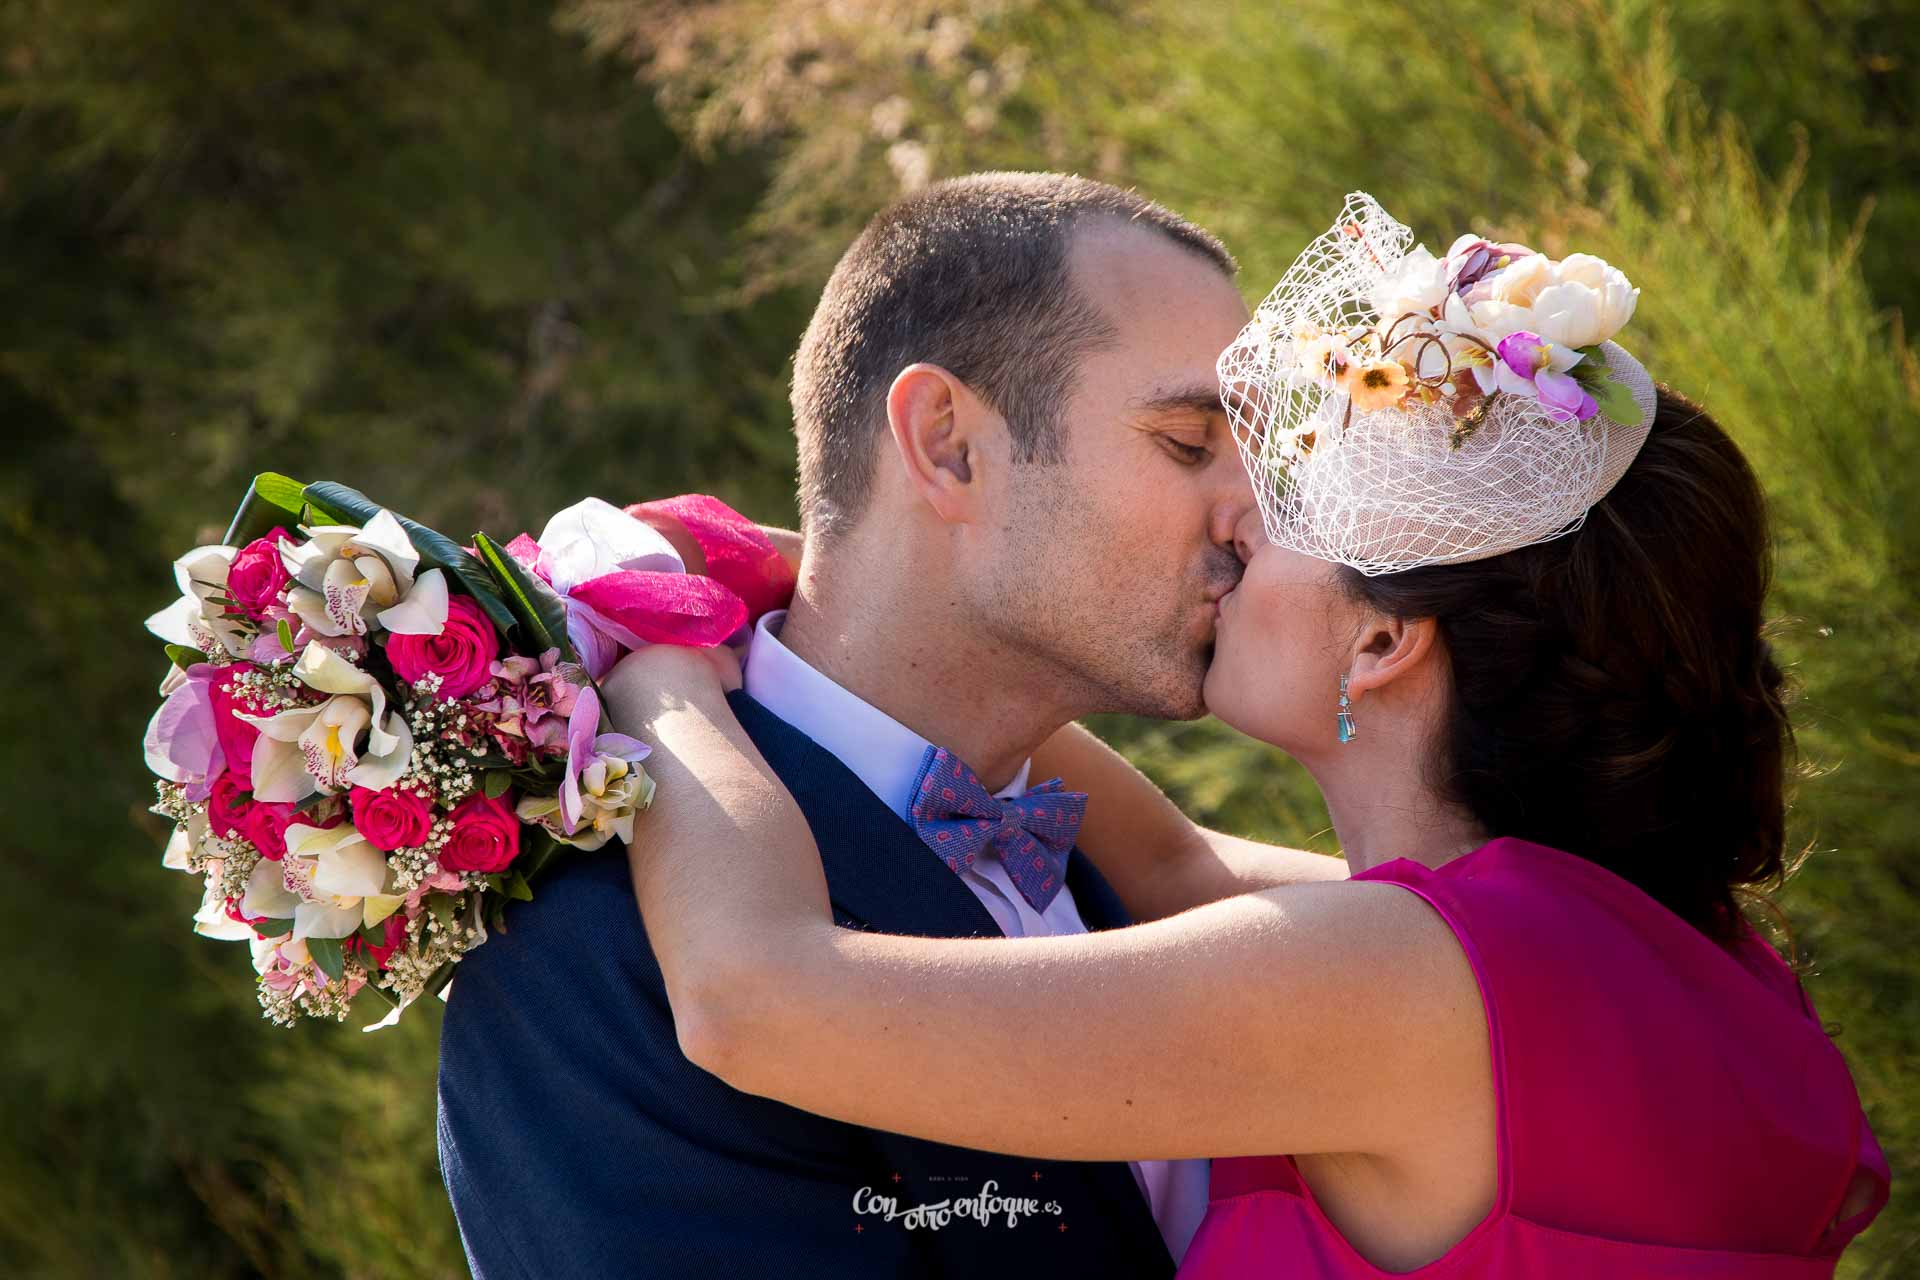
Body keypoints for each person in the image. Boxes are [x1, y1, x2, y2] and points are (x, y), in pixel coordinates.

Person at [606, 196, 1890, 1275]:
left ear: (1384, 643)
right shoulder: (1610, 944)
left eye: (1285, 502)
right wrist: (818, 579)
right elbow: (1170, 865)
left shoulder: (1390, 976)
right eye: (1199, 453)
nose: (1232, 522)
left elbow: (755, 999)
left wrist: (657, 653)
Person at [435, 171, 1336, 1277]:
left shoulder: (1123, 868)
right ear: (948, 443)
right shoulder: (597, 956)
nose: (1257, 519)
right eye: (1190, 440)